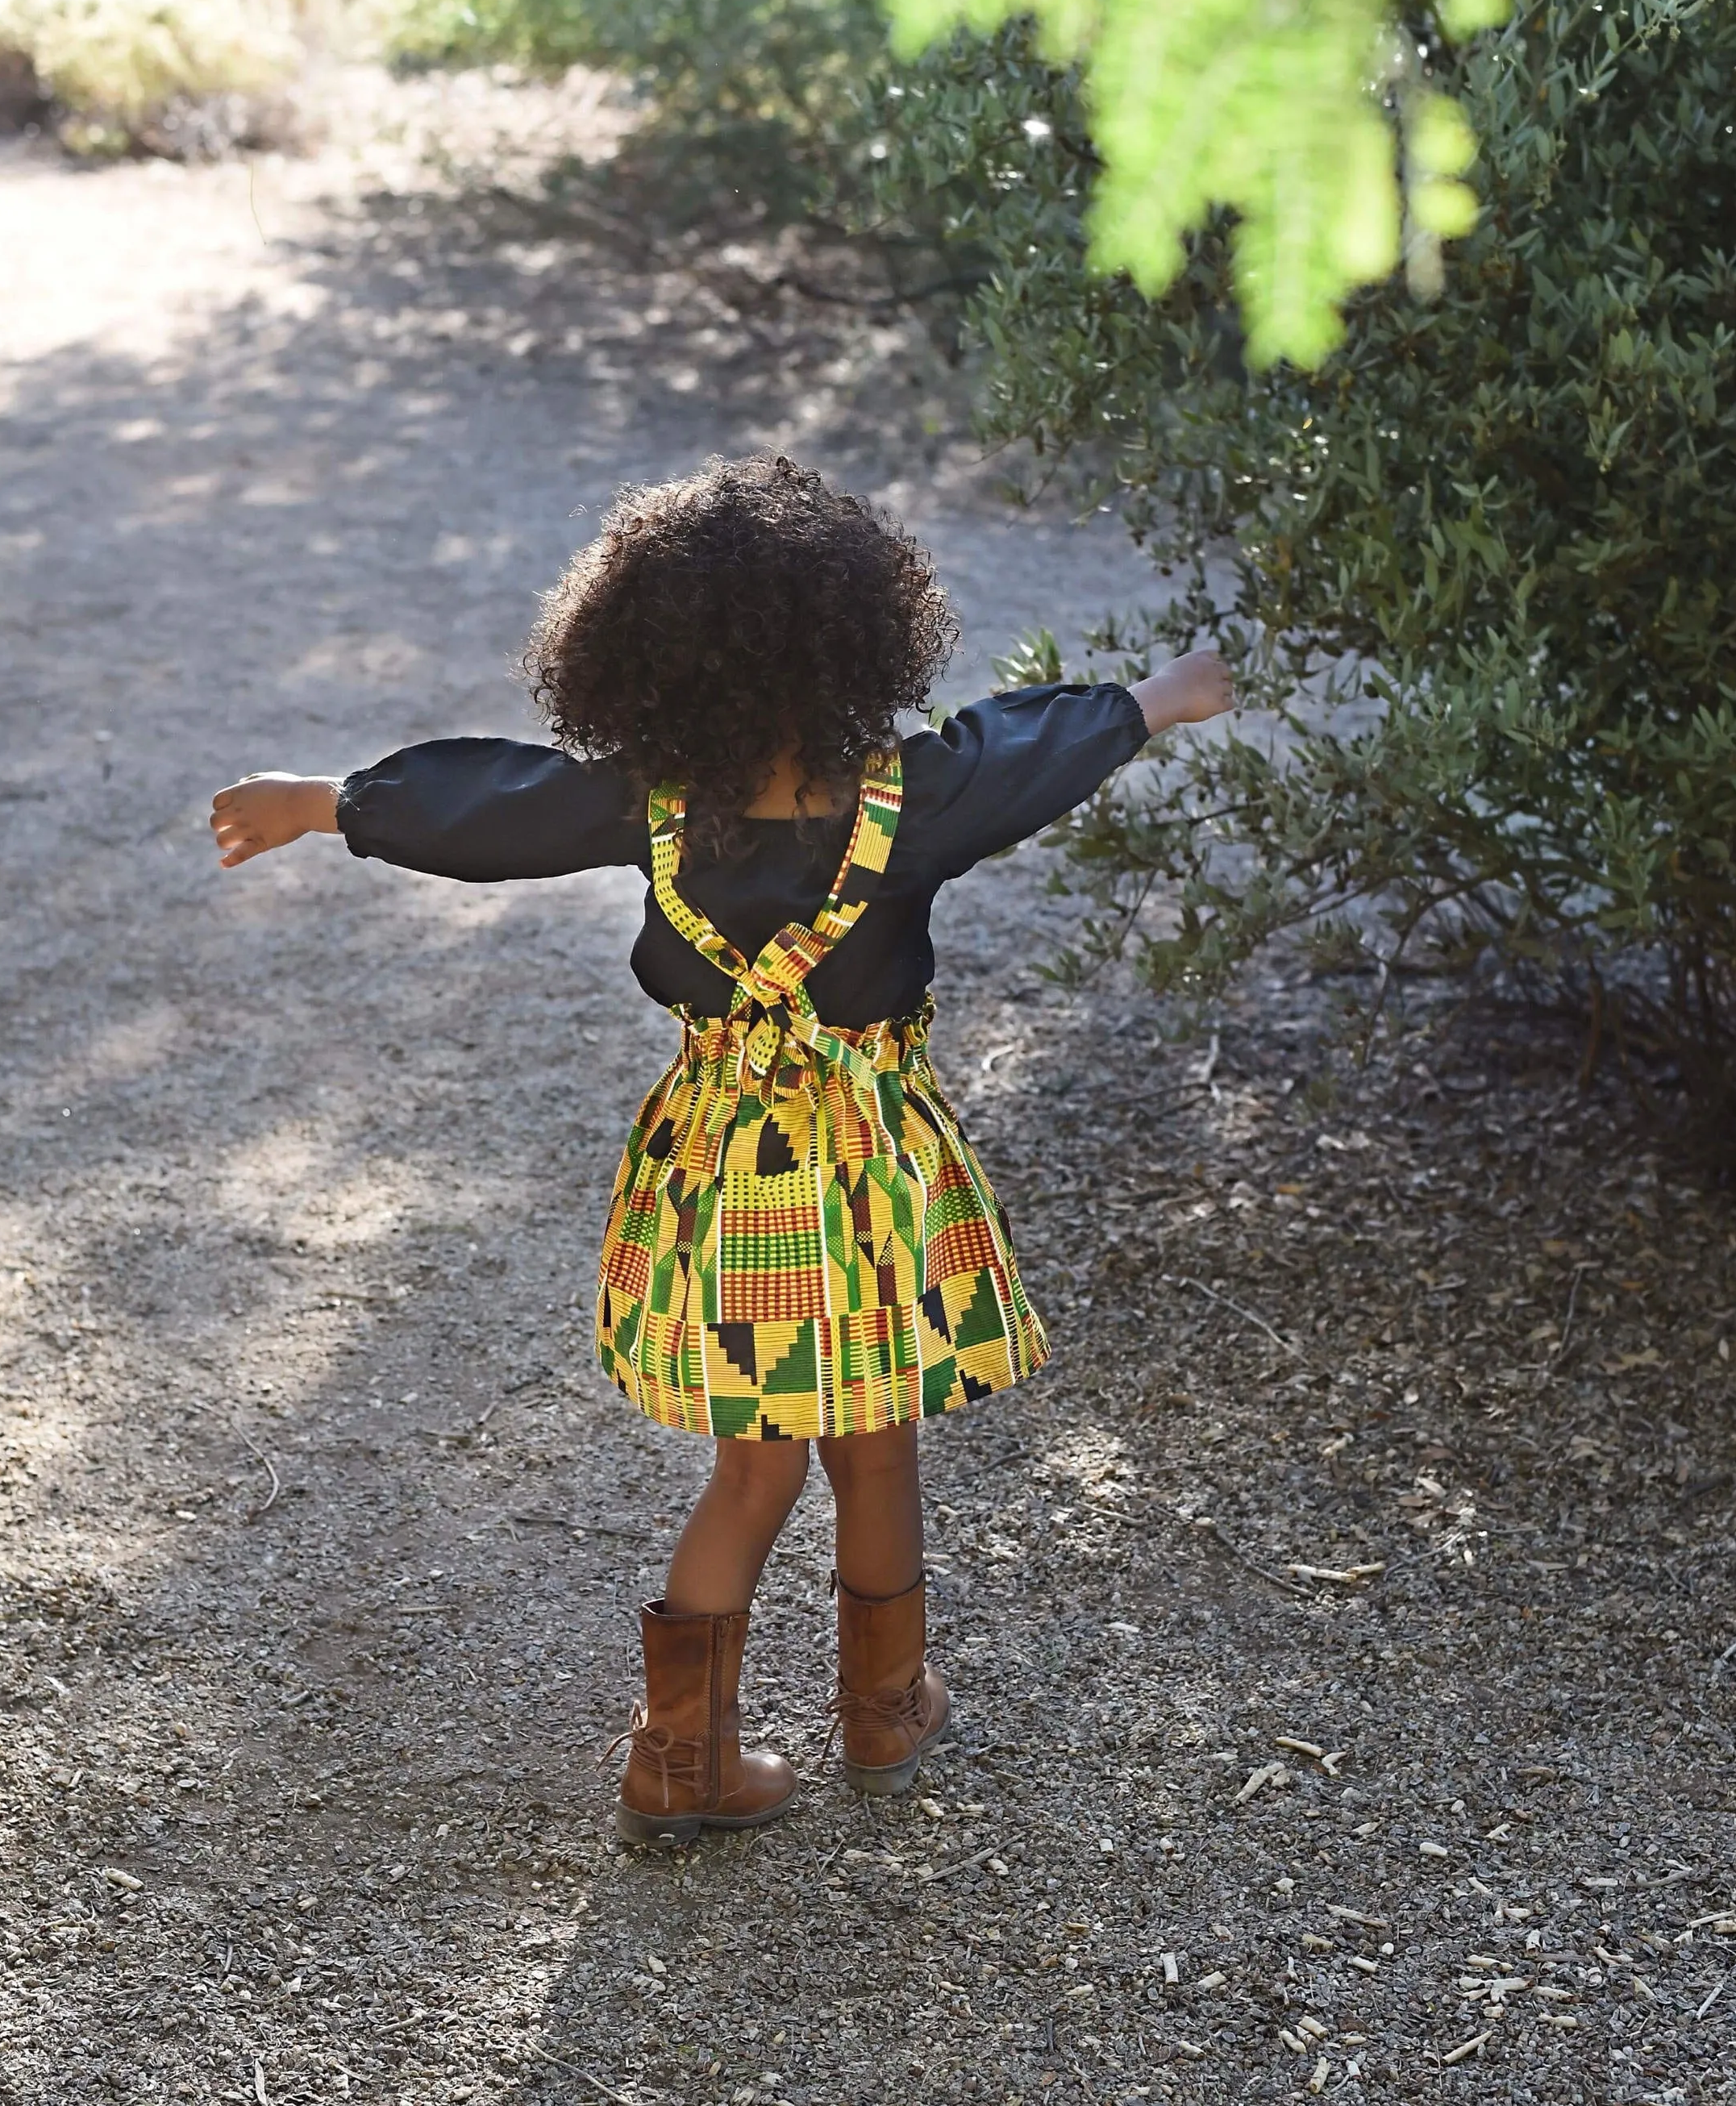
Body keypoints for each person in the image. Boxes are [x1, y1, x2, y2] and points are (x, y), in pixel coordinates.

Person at [210, 452, 1232, 1844]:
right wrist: (1160, 699)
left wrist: (329, 799)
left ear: (637, 662)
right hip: (867, 1175)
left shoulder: (645, 805)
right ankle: (886, 1713)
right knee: (876, 1448)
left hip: (720, 1172)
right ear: (863, 643)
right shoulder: (914, 798)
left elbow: (494, 808)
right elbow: (1031, 751)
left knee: (753, 1469)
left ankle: (678, 1764)